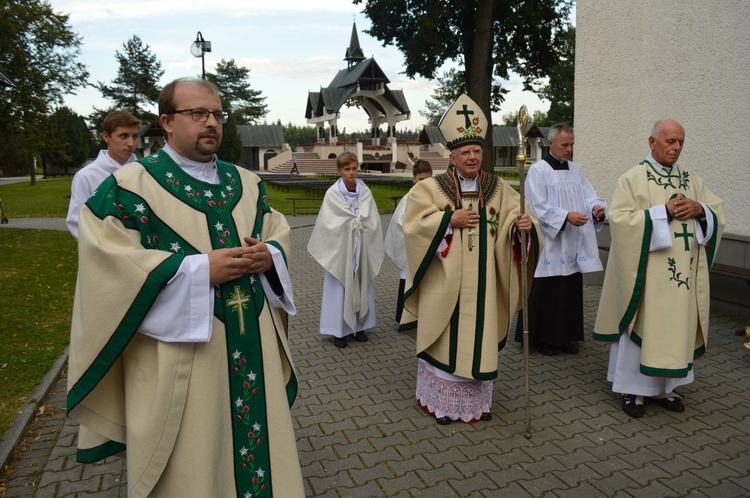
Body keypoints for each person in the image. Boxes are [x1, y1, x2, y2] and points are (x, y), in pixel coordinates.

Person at [66, 77, 304, 497]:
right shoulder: (129, 187)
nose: (210, 122)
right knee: (193, 465)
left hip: (251, 347)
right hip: (180, 361)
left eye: (217, 114)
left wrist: (271, 255)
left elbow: (275, 230)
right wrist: (196, 271)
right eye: (197, 113)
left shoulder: (247, 183)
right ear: (167, 122)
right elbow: (106, 262)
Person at [400, 94, 540, 424]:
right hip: (445, 282)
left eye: (477, 151)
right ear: (452, 155)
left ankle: (476, 403)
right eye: (466, 152)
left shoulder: (499, 187)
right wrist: (449, 220)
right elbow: (414, 226)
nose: (473, 157)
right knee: (445, 336)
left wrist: (522, 226)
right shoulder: (430, 189)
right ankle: (443, 404)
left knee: (479, 335)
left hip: (485, 284)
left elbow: (515, 218)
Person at [594, 119, 725, 418]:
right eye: (670, 141)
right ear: (652, 143)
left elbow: (716, 211)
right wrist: (661, 212)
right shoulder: (633, 178)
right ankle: (633, 390)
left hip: (682, 280)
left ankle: (667, 388)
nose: (676, 147)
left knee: (675, 330)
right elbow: (620, 221)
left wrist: (700, 209)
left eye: (680, 142)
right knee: (642, 326)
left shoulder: (692, 180)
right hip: (647, 279)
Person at [514, 123, 607, 355]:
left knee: (568, 288)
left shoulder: (576, 170)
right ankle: (542, 339)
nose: (569, 149)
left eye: (572, 144)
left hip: (572, 240)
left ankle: (565, 337)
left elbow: (589, 196)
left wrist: (596, 208)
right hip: (550, 241)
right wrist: (566, 217)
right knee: (548, 289)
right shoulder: (539, 170)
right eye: (565, 145)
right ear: (551, 143)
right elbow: (536, 206)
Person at [307, 151, 384, 348]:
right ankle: (339, 331)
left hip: (361, 248)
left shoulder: (365, 192)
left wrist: (360, 224)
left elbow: (372, 219)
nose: (351, 173)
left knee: (361, 283)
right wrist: (351, 224)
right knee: (339, 289)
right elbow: (328, 223)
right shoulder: (333, 194)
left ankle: (360, 327)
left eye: (354, 168)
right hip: (341, 251)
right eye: (347, 169)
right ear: (339, 171)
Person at [66, 110, 140, 239]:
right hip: (105, 252)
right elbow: (77, 222)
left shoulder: (144, 172)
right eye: (123, 136)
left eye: (134, 136)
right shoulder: (86, 176)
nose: (131, 143)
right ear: (106, 137)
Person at [384, 159, 433, 322]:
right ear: (414, 179)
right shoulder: (408, 199)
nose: (424, 183)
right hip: (412, 247)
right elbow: (400, 223)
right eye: (421, 180)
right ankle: (405, 314)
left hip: (430, 247)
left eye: (428, 179)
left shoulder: (435, 198)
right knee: (409, 279)